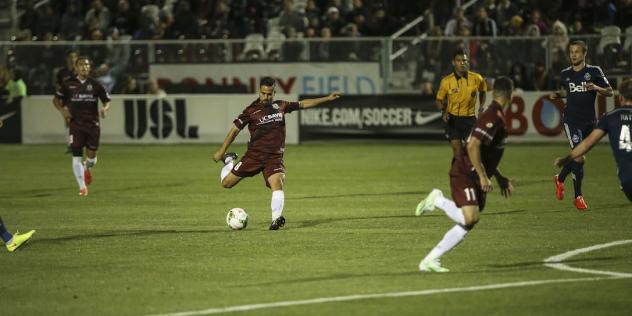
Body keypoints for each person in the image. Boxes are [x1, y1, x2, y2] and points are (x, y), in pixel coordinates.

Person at [415, 76, 515, 272]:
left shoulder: (494, 115)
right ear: (511, 96)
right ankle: (437, 201)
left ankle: (430, 259)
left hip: (474, 171)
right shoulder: (493, 117)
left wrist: (499, 177)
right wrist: (483, 175)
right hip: (466, 172)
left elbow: (486, 154)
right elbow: (472, 145)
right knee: (470, 218)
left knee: (469, 221)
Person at [212, 77, 340, 230]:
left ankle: (276, 220)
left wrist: (327, 98)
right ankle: (228, 161)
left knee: (277, 184)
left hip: (274, 157)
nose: (266, 97)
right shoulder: (250, 111)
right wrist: (222, 151)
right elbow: (234, 130)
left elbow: (304, 103)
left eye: (269, 94)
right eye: (263, 93)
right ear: (259, 91)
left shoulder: (280, 105)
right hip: (254, 156)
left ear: (274, 92)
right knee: (226, 184)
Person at [550, 40, 614, 210]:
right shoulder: (565, 73)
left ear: (584, 53)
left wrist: (595, 87)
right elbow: (569, 91)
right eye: (571, 51)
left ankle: (560, 178)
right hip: (571, 121)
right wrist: (559, 95)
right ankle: (578, 196)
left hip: (590, 122)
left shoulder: (594, 71)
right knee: (580, 157)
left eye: (577, 51)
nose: (573, 54)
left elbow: (610, 92)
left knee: (577, 156)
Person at [555, 78, 632, 202]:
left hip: (627, 180)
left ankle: (565, 182)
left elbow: (587, 144)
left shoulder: (610, 117)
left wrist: (566, 159)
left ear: (620, 97)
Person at [53, 56, 111, 196]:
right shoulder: (68, 84)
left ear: (89, 67)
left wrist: (104, 109)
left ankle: (87, 167)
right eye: (80, 65)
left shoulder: (96, 84)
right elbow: (56, 100)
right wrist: (63, 111)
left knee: (92, 158)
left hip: (92, 125)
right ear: (76, 68)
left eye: (86, 65)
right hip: (76, 125)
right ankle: (82, 187)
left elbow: (106, 100)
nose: (84, 67)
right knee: (76, 156)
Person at [436, 50, 488, 158]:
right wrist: (443, 112)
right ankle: (457, 174)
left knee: (473, 150)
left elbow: (483, 91)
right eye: (459, 60)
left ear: (468, 61)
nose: (462, 63)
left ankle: (472, 172)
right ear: (453, 63)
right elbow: (439, 100)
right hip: (453, 120)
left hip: (470, 120)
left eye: (464, 60)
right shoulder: (446, 81)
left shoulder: (477, 78)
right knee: (457, 151)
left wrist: (481, 106)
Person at [56, 51, 78, 154]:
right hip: (66, 100)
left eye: (74, 57)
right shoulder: (62, 72)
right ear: (67, 59)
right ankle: (70, 144)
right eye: (70, 57)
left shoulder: (80, 71)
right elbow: (58, 85)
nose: (72, 59)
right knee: (68, 122)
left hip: (79, 100)